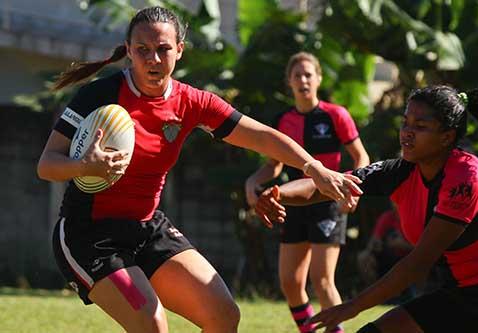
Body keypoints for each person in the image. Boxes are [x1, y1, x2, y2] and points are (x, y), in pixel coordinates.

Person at [37, 6, 363, 333]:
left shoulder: (192, 102)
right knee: (151, 323)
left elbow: (261, 136)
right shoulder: (100, 95)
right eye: (142, 50)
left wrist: (314, 167)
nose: (153, 59)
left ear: (179, 49)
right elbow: (47, 165)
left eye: (163, 49)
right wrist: (84, 165)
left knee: (223, 315)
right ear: (129, 50)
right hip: (88, 234)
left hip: (146, 227)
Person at [255, 85, 478, 333]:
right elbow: (329, 184)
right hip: (456, 293)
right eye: (405, 123)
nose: (407, 133)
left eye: (420, 126)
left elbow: (418, 263)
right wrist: (277, 193)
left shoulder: (466, 179)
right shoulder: (401, 172)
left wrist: (352, 306)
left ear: (447, 136)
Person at [245, 52, 369, 333]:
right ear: (289, 81)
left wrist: (353, 191)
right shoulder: (282, 120)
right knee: (290, 281)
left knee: (322, 279)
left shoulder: (336, 115)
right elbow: (273, 166)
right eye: (297, 75)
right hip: (295, 204)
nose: (303, 80)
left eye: (308, 75)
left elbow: (361, 156)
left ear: (319, 78)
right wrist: (253, 182)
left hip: (329, 202)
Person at [357, 207, 415, 303]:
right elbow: (374, 240)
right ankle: (374, 294)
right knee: (364, 258)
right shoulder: (387, 217)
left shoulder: (412, 217)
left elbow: (422, 248)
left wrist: (402, 244)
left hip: (408, 256)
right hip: (387, 255)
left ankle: (414, 293)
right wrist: (372, 248)